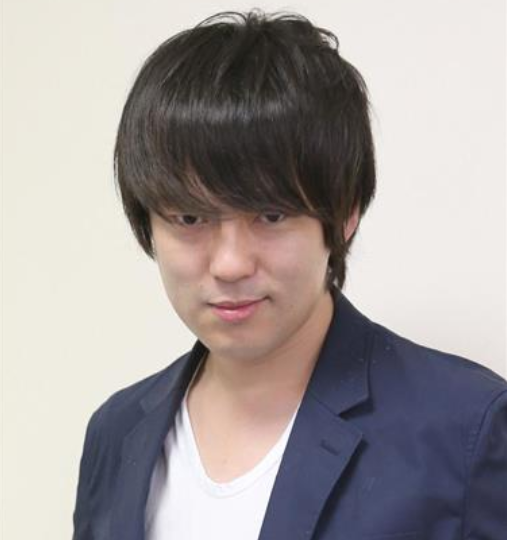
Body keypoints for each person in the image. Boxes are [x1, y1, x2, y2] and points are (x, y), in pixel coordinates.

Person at [72, 9, 507, 540]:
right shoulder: (115, 433)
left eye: (271, 215)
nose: (230, 264)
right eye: (189, 218)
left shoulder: (466, 430)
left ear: (343, 214)